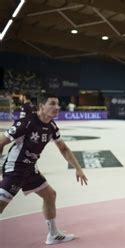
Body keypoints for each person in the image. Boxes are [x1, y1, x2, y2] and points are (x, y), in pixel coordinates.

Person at [0, 93, 88, 245]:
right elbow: (1, 141)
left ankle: (53, 234)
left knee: (50, 195)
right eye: (52, 103)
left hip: (30, 169)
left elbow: (64, 149)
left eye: (58, 104)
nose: (57, 107)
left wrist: (78, 168)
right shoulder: (27, 122)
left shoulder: (52, 126)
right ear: (41, 106)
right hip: (16, 170)